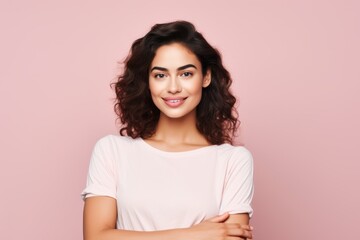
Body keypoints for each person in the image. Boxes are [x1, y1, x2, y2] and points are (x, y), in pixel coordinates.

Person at [81, 20, 254, 240]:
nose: (173, 87)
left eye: (186, 74)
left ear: (206, 77)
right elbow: (95, 237)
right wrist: (194, 235)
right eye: (160, 75)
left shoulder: (233, 161)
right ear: (148, 81)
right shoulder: (111, 151)